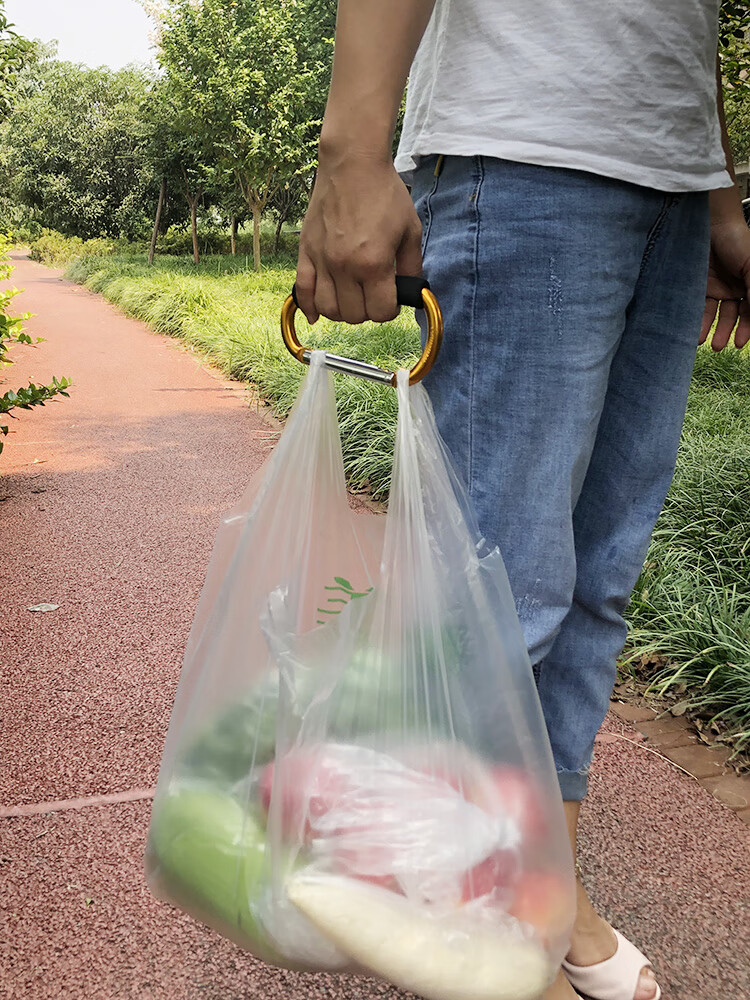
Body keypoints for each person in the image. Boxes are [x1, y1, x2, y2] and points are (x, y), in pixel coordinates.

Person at [294, 3, 750, 998]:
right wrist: (351, 152)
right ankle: (468, 911)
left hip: (667, 181)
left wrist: (715, 201)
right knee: (500, 591)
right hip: (524, 148)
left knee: (596, 584)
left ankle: (541, 889)